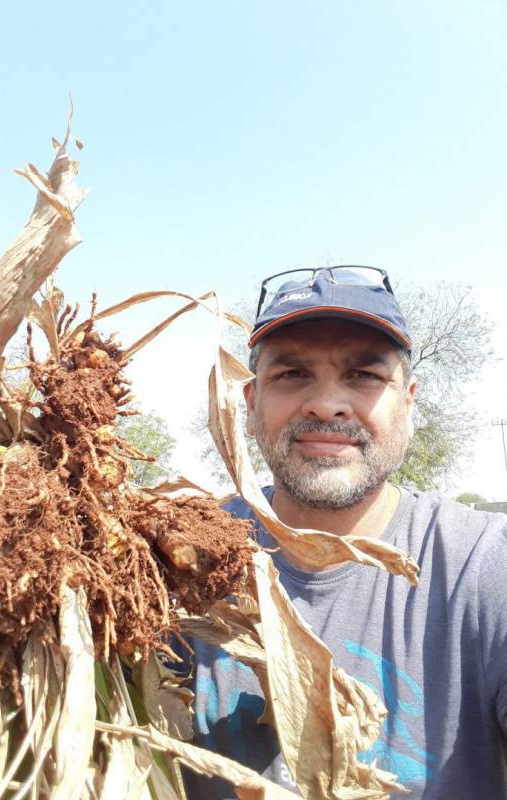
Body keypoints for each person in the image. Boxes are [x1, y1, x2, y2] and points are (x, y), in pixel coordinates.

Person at [184, 267, 507, 800]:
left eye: (364, 376)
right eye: (291, 374)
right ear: (248, 402)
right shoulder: (176, 561)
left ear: (408, 401)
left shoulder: (484, 566)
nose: (326, 404)